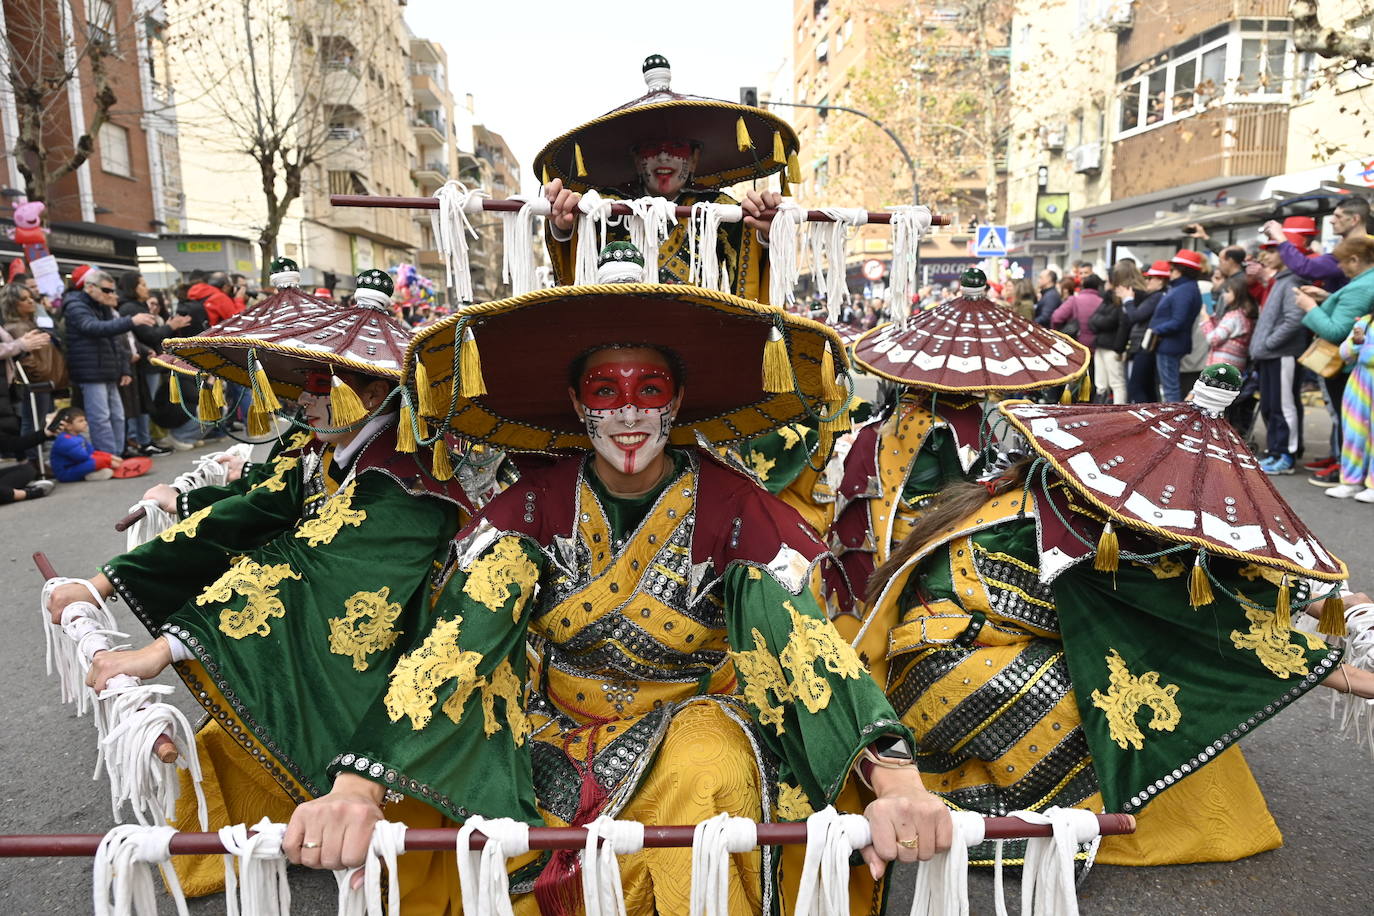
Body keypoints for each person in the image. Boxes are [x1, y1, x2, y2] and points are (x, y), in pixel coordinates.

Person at [266, 262, 954, 913]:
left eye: (649, 391)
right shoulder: (531, 507)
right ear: (577, 405)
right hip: (551, 730)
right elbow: (456, 642)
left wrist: (896, 782)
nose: (629, 413)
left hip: (692, 727)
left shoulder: (732, 505)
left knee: (708, 769)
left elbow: (799, 637)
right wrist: (356, 790)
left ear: (676, 402)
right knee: (459, 797)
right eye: (605, 392)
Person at [46, 264, 481, 898]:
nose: (305, 401)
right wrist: (104, 582)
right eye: (305, 384)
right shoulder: (322, 450)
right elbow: (251, 512)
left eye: (323, 384)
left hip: (409, 658)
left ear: (375, 390)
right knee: (227, 743)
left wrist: (161, 650)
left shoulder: (406, 479)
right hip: (341, 637)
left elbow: (307, 568)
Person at [855, 365, 1367, 871]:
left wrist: (1326, 602)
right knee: (1114, 685)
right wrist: (1334, 671)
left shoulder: (1075, 497)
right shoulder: (1061, 541)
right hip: (949, 664)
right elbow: (1178, 610)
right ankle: (1016, 800)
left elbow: (1209, 572)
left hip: (989, 642)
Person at [832, 268, 1090, 627]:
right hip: (922, 529)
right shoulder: (952, 424)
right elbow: (968, 487)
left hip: (876, 525)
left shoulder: (903, 408)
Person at [540, 56, 791, 302]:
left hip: (699, 328)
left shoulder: (718, 208)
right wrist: (563, 226)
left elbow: (748, 258)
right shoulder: (605, 206)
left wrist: (765, 232)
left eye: (677, 146)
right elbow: (576, 255)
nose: (663, 156)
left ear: (694, 159)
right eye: (651, 147)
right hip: (619, 326)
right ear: (637, 160)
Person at [1297, 235, 1374, 482]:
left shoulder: (1363, 285)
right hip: (1354, 366)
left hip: (1344, 366)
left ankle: (1346, 469)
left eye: (1342, 262)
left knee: (1348, 421)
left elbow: (1335, 331)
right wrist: (1324, 297)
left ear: (1355, 259)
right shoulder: (1363, 282)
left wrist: (1309, 306)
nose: (1339, 267)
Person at [62, 268, 158, 455]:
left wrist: (124, 369)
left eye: (112, 291)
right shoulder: (75, 304)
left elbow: (115, 339)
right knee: (101, 417)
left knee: (117, 416)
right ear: (89, 287)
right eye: (106, 290)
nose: (111, 295)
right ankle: (109, 456)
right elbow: (92, 327)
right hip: (90, 371)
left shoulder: (101, 306)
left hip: (108, 369)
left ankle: (117, 453)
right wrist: (131, 321)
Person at [1249, 240, 1308, 474]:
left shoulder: (1292, 280)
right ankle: (1276, 452)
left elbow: (1294, 320)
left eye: (1273, 250)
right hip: (1272, 355)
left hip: (1282, 354)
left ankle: (1287, 455)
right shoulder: (1280, 280)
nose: (1266, 255)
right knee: (1272, 405)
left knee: (1283, 406)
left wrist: (1267, 344)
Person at [1, 281, 63, 459]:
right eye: (24, 299)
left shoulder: (29, 322)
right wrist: (37, 373)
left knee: (38, 419)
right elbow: (22, 357)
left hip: (38, 378)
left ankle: (35, 460)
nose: (30, 302)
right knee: (32, 420)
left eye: (31, 298)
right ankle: (33, 460)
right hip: (32, 380)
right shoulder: (15, 327)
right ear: (13, 303)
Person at [1264, 199, 1370, 292]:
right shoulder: (1366, 246)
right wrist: (1326, 297)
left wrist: (1281, 238)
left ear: (1355, 220)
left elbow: (1306, 267)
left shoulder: (1356, 250)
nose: (1332, 221)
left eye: (1338, 216)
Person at [1326, 313, 1374, 501]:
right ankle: (1351, 482)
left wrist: (1364, 350)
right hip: (1359, 383)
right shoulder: (1366, 321)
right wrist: (1356, 340)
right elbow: (1344, 353)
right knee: (1354, 434)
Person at [1148, 250, 1205, 401]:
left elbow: (1178, 321)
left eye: (1172, 269)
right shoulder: (1185, 288)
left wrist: (1156, 330)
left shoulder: (1184, 290)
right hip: (1171, 343)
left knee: (1170, 388)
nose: (1169, 272)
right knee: (1170, 386)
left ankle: (1173, 420)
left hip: (1170, 345)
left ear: (1182, 270)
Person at [1089, 263, 1142, 404]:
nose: (1105, 284)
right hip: (1103, 344)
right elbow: (1093, 320)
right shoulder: (1109, 298)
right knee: (1101, 383)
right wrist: (1099, 322)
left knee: (1117, 383)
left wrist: (1119, 347)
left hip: (1113, 346)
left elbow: (1118, 323)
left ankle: (1119, 413)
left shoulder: (1123, 299)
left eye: (1107, 281)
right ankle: (1101, 411)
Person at [1125, 260, 1169, 402]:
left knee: (1136, 387)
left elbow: (1136, 316)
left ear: (1161, 281)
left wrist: (1128, 300)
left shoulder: (1158, 296)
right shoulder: (1155, 296)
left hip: (1146, 346)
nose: (1147, 281)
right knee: (1147, 387)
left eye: (1150, 278)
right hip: (1145, 345)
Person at [49, 406, 123, 481]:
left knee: (98, 462)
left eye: (85, 420)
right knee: (95, 462)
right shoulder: (65, 441)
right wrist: (108, 461)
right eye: (80, 421)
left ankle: (96, 472)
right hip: (66, 473)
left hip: (76, 466)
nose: (85, 423)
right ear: (69, 426)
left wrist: (111, 457)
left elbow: (92, 452)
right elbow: (84, 457)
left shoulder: (78, 437)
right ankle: (89, 476)